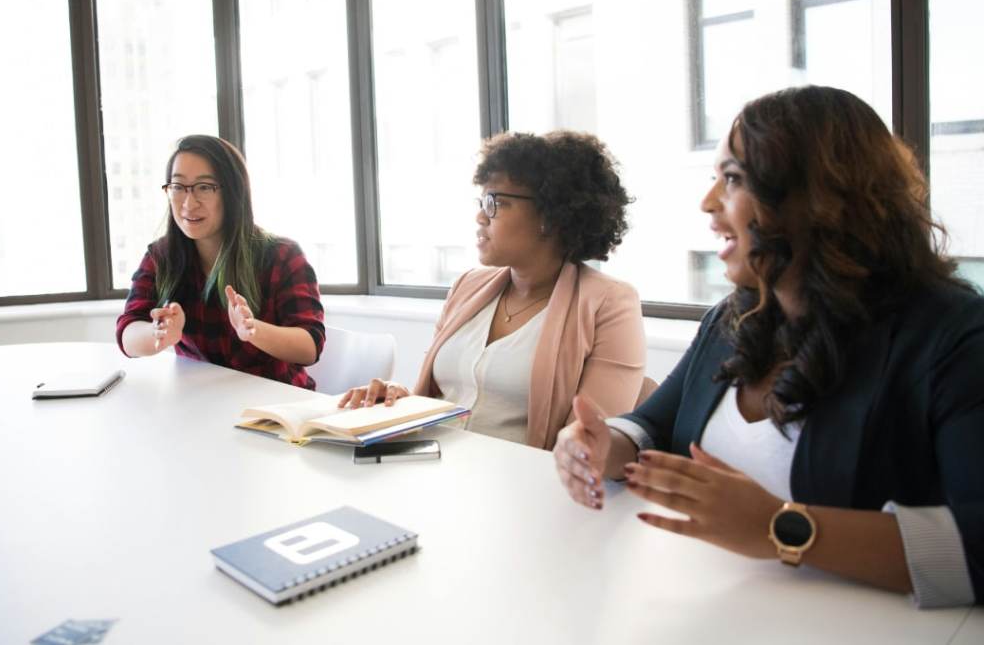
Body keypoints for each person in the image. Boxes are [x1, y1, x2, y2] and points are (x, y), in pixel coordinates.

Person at [554, 86, 983, 607]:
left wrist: (780, 529)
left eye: (732, 179)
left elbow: (976, 546)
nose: (708, 203)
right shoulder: (735, 316)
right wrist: (602, 446)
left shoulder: (953, 335)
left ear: (820, 197)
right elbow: (656, 426)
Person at [339, 131, 646, 450]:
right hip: (430, 468)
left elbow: (590, 443)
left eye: (496, 202)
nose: (480, 216)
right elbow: (440, 397)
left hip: (522, 487)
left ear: (551, 216)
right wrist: (398, 400)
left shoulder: (609, 303)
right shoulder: (467, 286)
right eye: (481, 201)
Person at [117, 134, 325, 388]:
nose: (188, 203)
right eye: (178, 187)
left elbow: (310, 346)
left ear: (233, 192)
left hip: (275, 408)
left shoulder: (282, 255)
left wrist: (253, 330)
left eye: (205, 187)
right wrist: (157, 333)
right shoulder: (161, 257)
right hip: (201, 403)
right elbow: (128, 334)